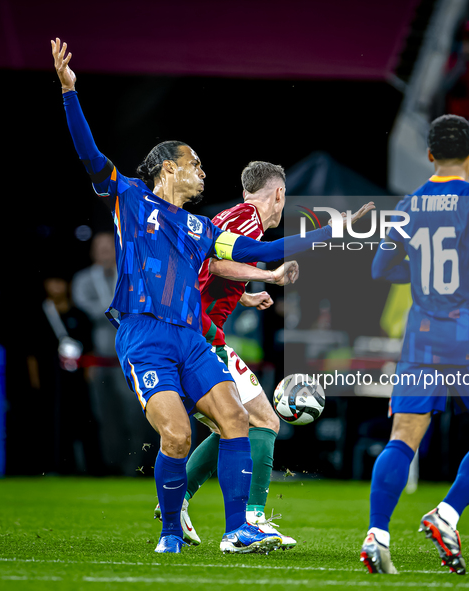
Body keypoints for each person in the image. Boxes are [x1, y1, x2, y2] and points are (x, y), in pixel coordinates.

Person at [52, 38, 372, 554]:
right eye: (194, 162)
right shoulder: (130, 199)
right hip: (146, 337)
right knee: (177, 436)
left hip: (193, 340)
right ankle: (171, 535)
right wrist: (70, 93)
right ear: (167, 168)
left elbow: (267, 247)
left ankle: (237, 529)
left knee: (236, 419)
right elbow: (90, 156)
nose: (202, 170)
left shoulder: (202, 228)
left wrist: (332, 233)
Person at [360, 115, 469, 575]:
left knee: (403, 438)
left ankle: (377, 535)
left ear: (430, 155)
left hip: (422, 336)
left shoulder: (409, 204)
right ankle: (447, 513)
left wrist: (419, 278)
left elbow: (380, 269)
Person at [155, 161, 299, 548]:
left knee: (230, 424)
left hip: (194, 329)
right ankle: (249, 521)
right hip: (200, 336)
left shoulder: (229, 214)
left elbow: (204, 270)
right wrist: (268, 276)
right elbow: (217, 263)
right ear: (279, 194)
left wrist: (246, 296)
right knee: (265, 421)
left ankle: (179, 499)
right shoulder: (248, 220)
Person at [72, 232, 157, 475]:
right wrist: (118, 308)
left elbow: (140, 304)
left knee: (134, 411)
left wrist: (115, 309)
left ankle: (136, 464)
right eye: (100, 247)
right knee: (105, 414)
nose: (105, 251)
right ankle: (113, 465)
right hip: (98, 357)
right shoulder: (83, 279)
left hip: (129, 356)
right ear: (92, 252)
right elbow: (83, 308)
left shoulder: (131, 275)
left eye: (109, 246)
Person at [26, 273, 105, 476]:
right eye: (52, 281)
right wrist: (36, 382)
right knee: (54, 423)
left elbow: (89, 350)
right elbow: (32, 353)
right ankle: (57, 467)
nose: (56, 286)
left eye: (60, 282)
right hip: (50, 381)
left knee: (86, 422)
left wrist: (88, 377)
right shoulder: (39, 314)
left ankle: (94, 468)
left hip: (77, 381)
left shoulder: (80, 315)